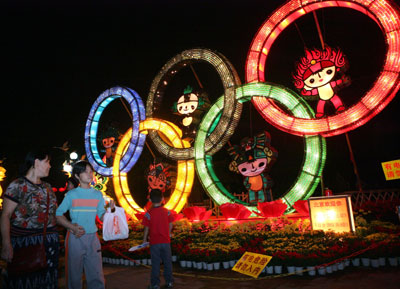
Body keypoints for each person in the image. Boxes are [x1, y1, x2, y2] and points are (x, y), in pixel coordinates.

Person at [0, 148, 59, 289]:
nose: (50, 166)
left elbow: (55, 215)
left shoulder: (48, 188)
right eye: (47, 162)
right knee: (23, 282)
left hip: (48, 244)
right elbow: (5, 215)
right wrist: (6, 244)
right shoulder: (18, 186)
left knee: (47, 282)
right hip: (24, 244)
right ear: (36, 162)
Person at [56, 160, 114, 289]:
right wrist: (72, 227)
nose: (89, 174)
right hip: (75, 238)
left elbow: (102, 216)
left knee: (96, 274)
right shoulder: (71, 195)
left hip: (93, 238)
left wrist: (110, 211)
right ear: (77, 176)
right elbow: (58, 215)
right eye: (85, 171)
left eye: (91, 171)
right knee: (74, 275)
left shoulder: (98, 194)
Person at [143, 189, 174, 289]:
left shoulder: (148, 213)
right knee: (167, 263)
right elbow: (171, 223)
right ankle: (169, 282)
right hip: (166, 242)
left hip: (154, 243)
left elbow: (146, 228)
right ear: (162, 199)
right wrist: (168, 233)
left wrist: (144, 240)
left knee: (155, 264)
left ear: (150, 200)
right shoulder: (167, 212)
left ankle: (155, 284)